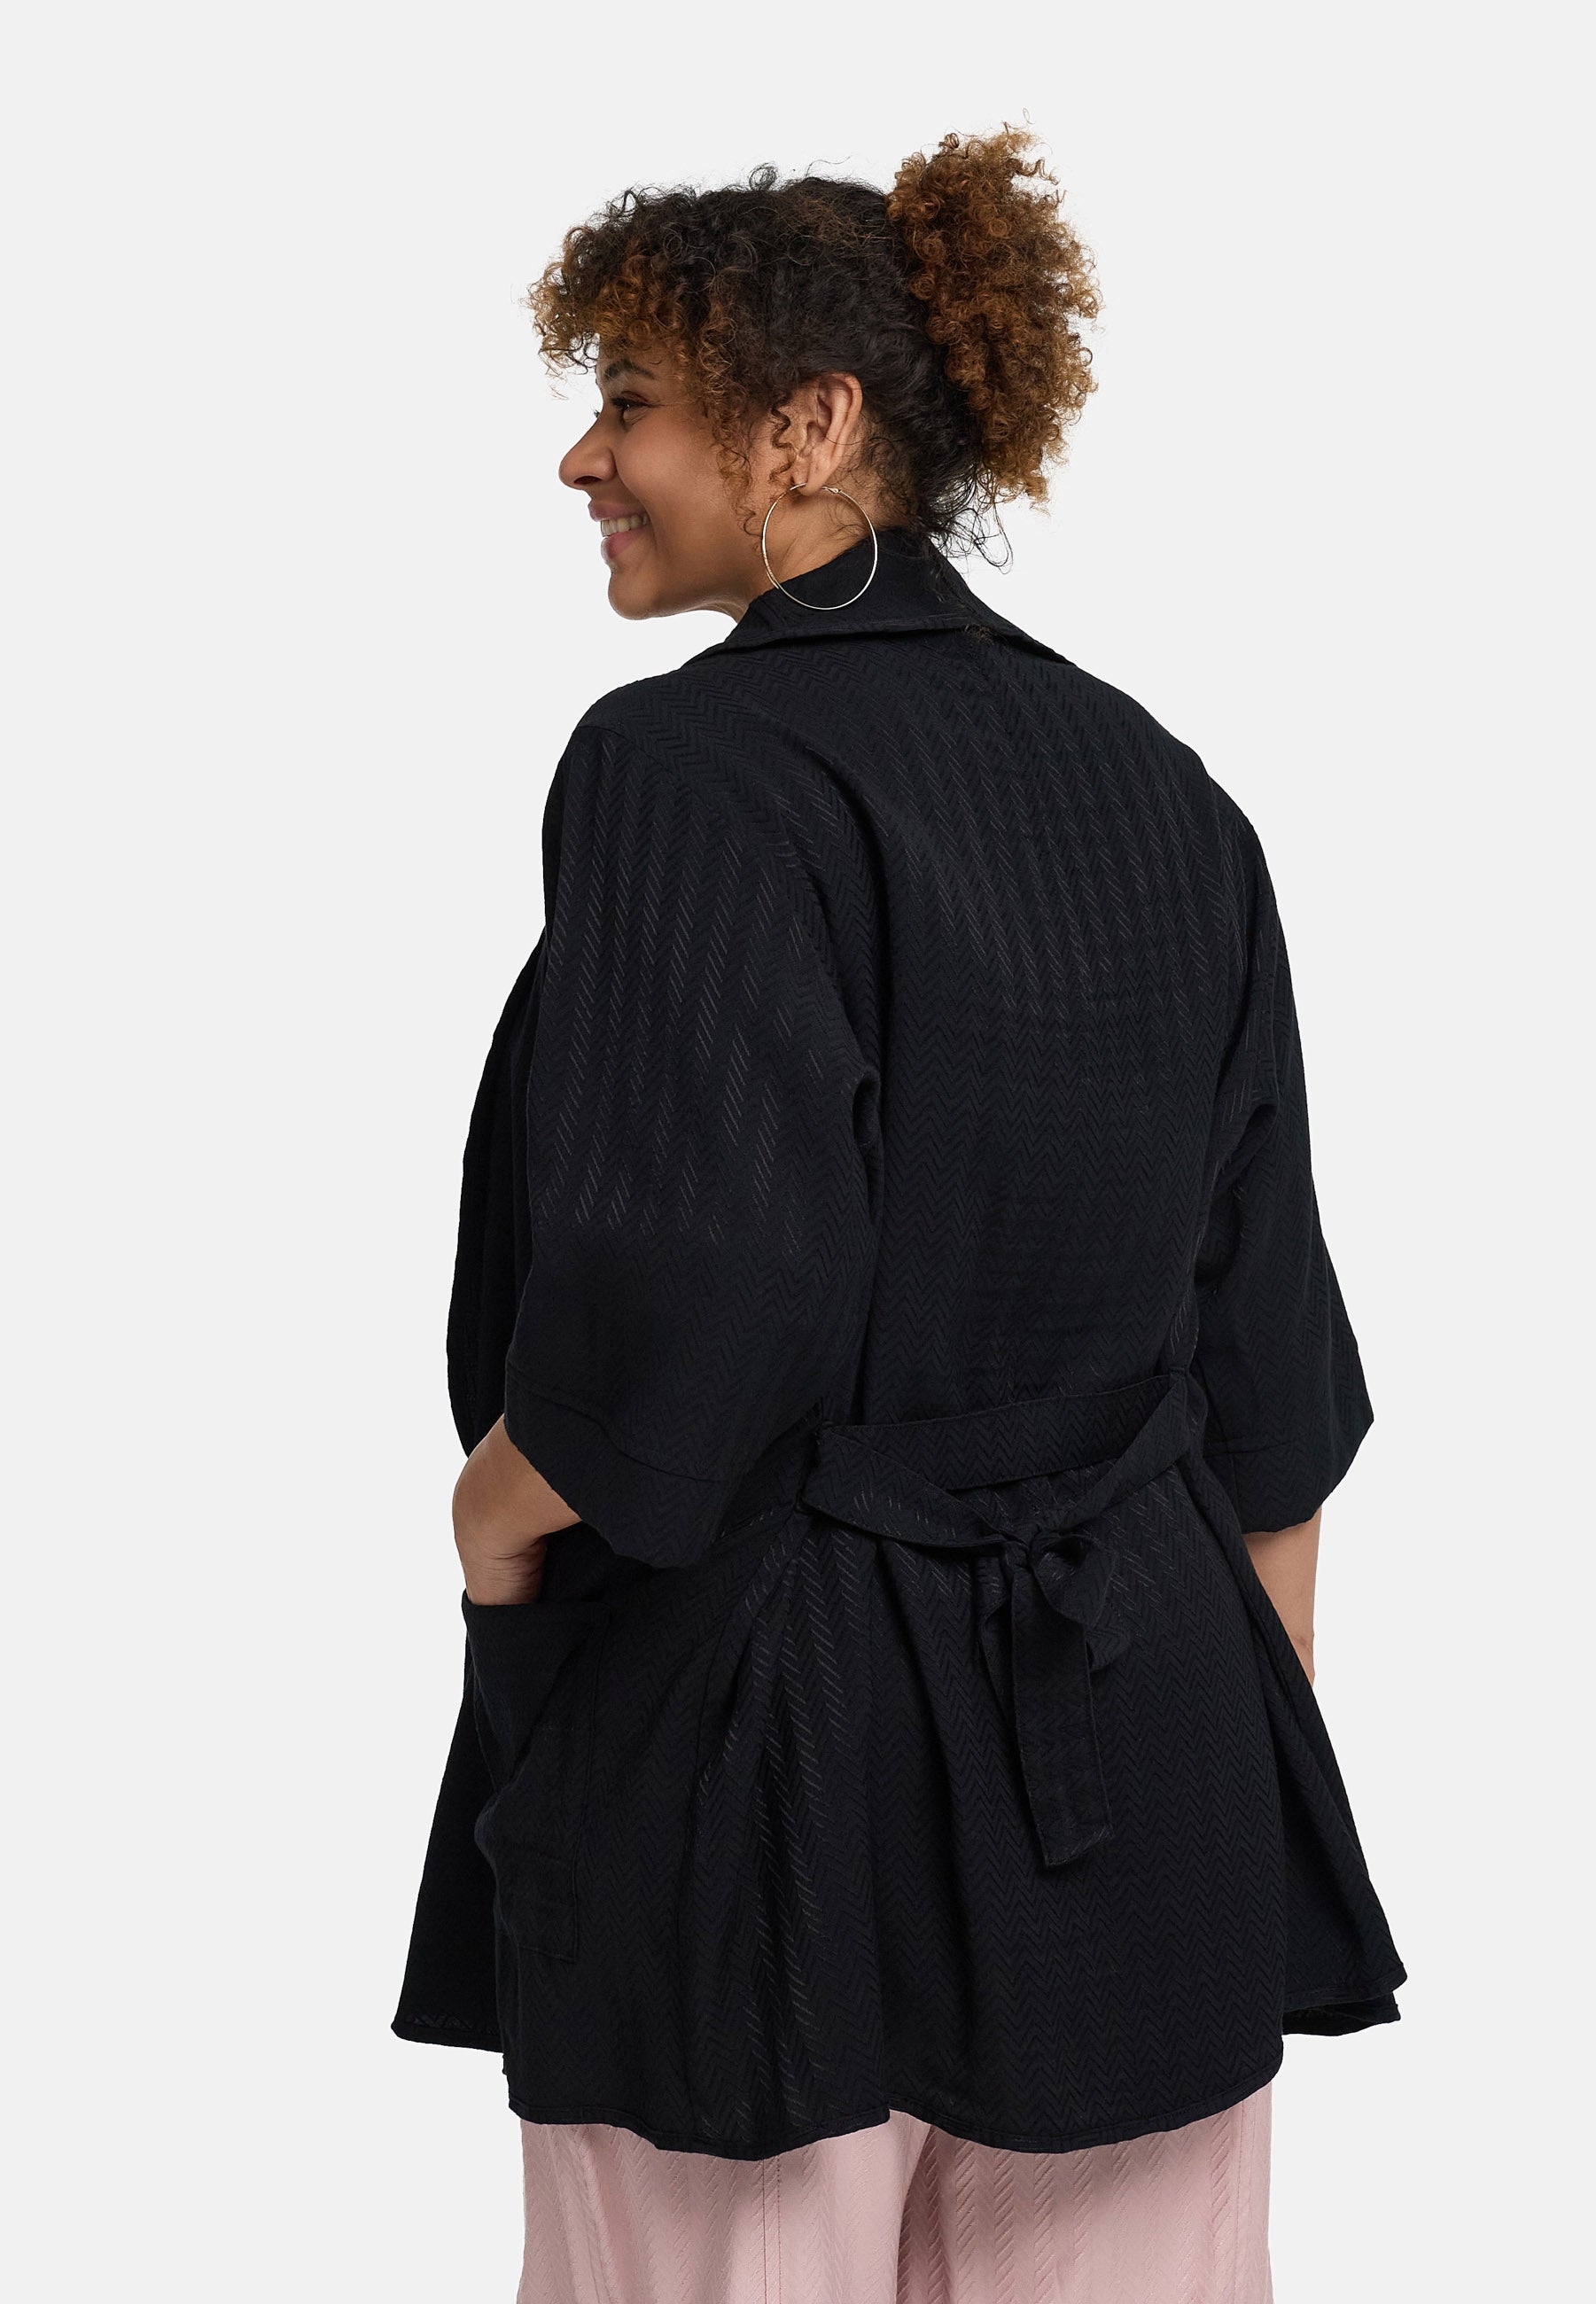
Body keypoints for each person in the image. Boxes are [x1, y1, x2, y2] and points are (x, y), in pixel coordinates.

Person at [393, 127, 1406, 2303]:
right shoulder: (1164, 788)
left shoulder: (682, 768)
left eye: (629, 402)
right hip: (1148, 1754)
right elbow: (1271, 1380)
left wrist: (492, 1516)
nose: (582, 457)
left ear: (808, 428)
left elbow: (702, 1285)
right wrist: (1226, 1779)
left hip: (766, 1765)